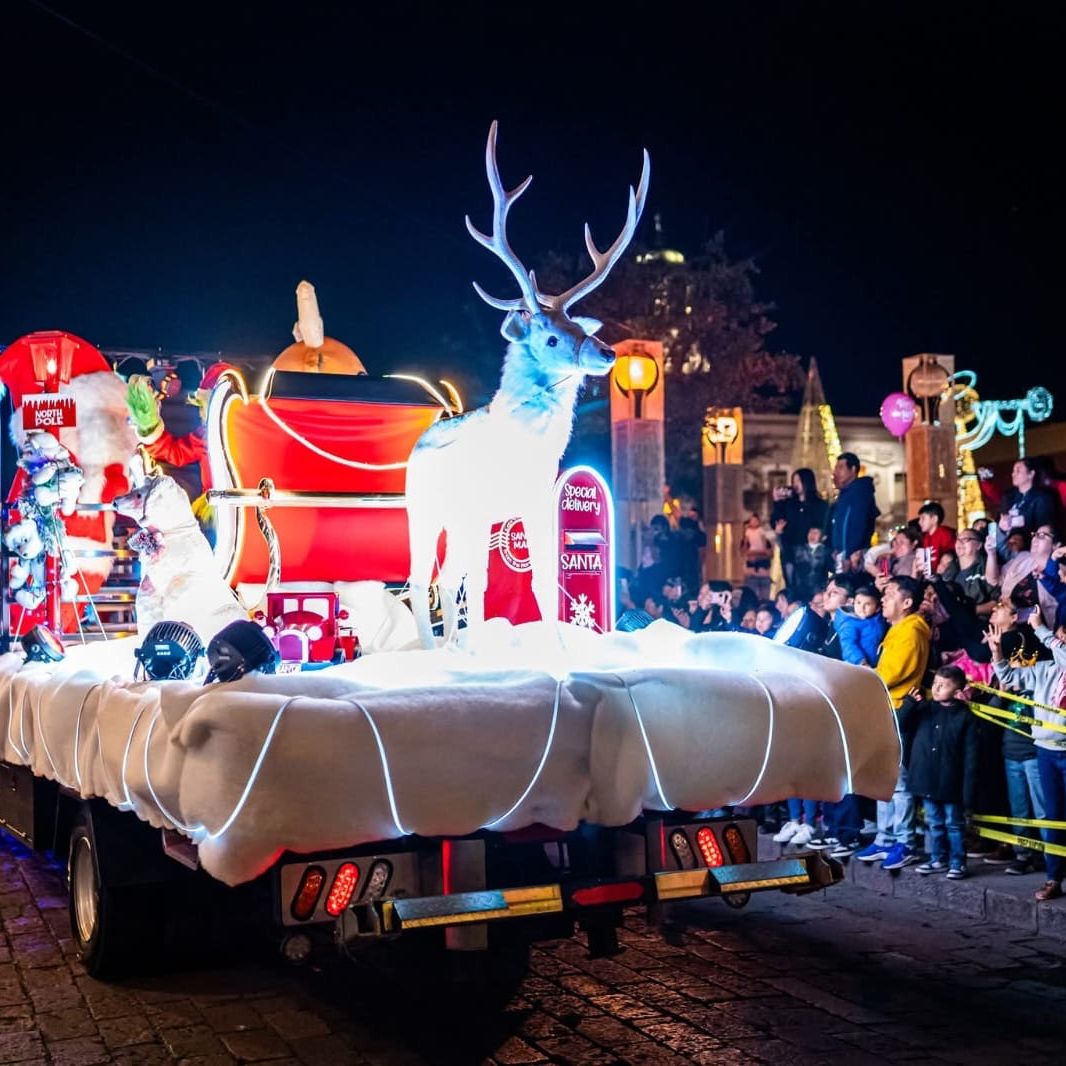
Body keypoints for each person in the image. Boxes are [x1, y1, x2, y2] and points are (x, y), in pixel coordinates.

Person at [988, 606, 1066, 900]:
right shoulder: (1045, 669)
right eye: (1061, 636)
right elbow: (1009, 677)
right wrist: (997, 653)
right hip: (1046, 752)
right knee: (1052, 817)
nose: (1061, 641)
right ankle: (1053, 877)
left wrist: (1040, 629)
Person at [855, 575, 931, 870]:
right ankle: (885, 838)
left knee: (898, 783)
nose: (883, 600)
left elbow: (890, 674)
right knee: (883, 781)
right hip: (885, 709)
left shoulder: (911, 631)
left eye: (889, 595)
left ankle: (905, 841)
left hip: (898, 711)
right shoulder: (899, 629)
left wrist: (863, 677)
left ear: (907, 602)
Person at [899, 666, 979, 879]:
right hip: (926, 777)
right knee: (933, 822)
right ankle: (937, 859)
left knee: (954, 824)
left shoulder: (966, 717)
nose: (936, 688)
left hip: (951, 782)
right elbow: (899, 724)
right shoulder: (923, 709)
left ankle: (957, 862)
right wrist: (909, 703)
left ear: (957, 691)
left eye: (943, 685)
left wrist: (968, 792)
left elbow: (971, 757)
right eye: (935, 683)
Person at [771, 468, 828, 584]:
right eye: (793, 481)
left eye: (798, 480)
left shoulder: (819, 505)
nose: (795, 484)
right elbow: (775, 521)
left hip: (811, 552)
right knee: (792, 584)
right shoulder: (789, 504)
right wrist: (777, 502)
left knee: (813, 584)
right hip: (790, 551)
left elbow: (822, 525)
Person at [828, 452, 880, 569]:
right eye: (836, 468)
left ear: (853, 469)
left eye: (840, 468)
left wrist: (848, 553)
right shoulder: (844, 494)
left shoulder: (860, 493)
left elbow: (856, 525)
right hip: (842, 555)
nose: (836, 472)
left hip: (853, 558)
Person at [833, 585, 888, 667]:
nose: (862, 608)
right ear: (853, 602)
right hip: (859, 665)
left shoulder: (877, 618)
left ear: (877, 608)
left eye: (867, 604)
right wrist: (860, 661)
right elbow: (848, 644)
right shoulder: (850, 623)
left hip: (876, 665)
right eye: (858, 603)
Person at [1000, 457, 1057, 535]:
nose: (1013, 474)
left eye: (1018, 471)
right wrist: (1002, 526)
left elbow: (1044, 526)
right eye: (1013, 471)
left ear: (1031, 474)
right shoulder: (1008, 496)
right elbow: (1001, 519)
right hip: (1009, 539)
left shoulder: (1042, 498)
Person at [953, 528, 995, 616]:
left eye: (965, 539)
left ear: (979, 545)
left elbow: (998, 601)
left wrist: (972, 610)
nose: (960, 543)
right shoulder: (951, 570)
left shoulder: (986, 567)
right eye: (958, 539)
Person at [792, 526, 830, 602]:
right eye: (810, 532)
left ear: (823, 537)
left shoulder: (827, 552)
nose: (812, 535)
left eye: (816, 533)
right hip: (799, 591)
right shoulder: (798, 549)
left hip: (818, 592)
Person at [741, 513, 774, 600]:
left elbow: (769, 553)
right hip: (751, 574)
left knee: (765, 598)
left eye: (755, 521)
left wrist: (758, 553)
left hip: (764, 573)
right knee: (752, 597)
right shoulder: (746, 536)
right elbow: (745, 553)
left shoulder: (762, 533)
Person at [916, 501, 956, 571]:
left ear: (934, 519)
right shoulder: (926, 537)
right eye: (920, 519)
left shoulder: (945, 534)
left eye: (923, 518)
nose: (919, 522)